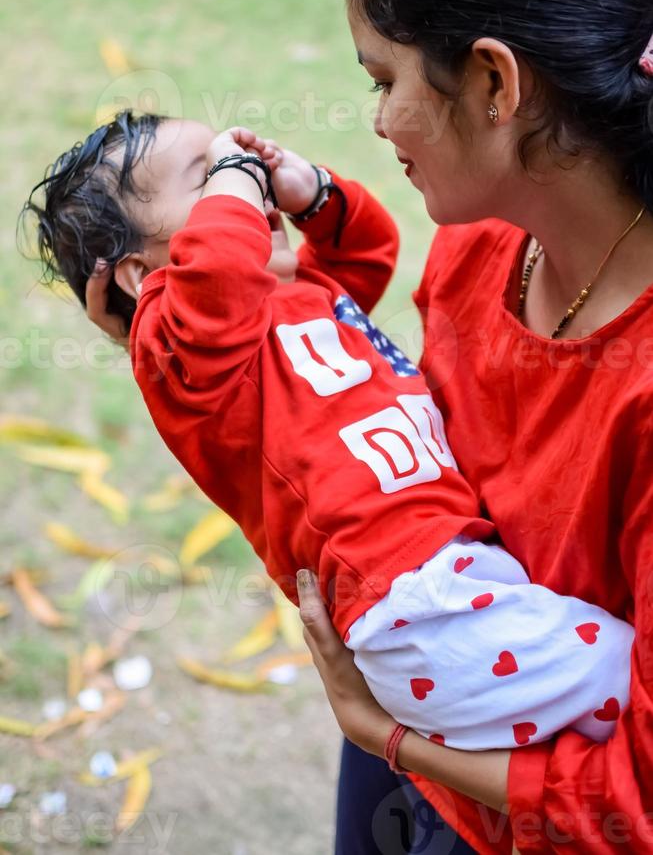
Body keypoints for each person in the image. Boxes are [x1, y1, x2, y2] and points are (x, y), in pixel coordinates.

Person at [23, 111, 632, 757]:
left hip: (452, 564)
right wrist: (234, 182)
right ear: (143, 278)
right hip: (406, 598)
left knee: (608, 690)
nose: (247, 179)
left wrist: (310, 192)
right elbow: (214, 287)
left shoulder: (298, 290)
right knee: (622, 679)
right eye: (210, 180)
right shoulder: (188, 357)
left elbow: (367, 252)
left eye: (241, 162)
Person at [292, 0, 653, 851]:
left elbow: (638, 803)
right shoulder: (481, 249)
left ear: (494, 83)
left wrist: (388, 733)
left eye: (383, 81)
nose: (375, 121)